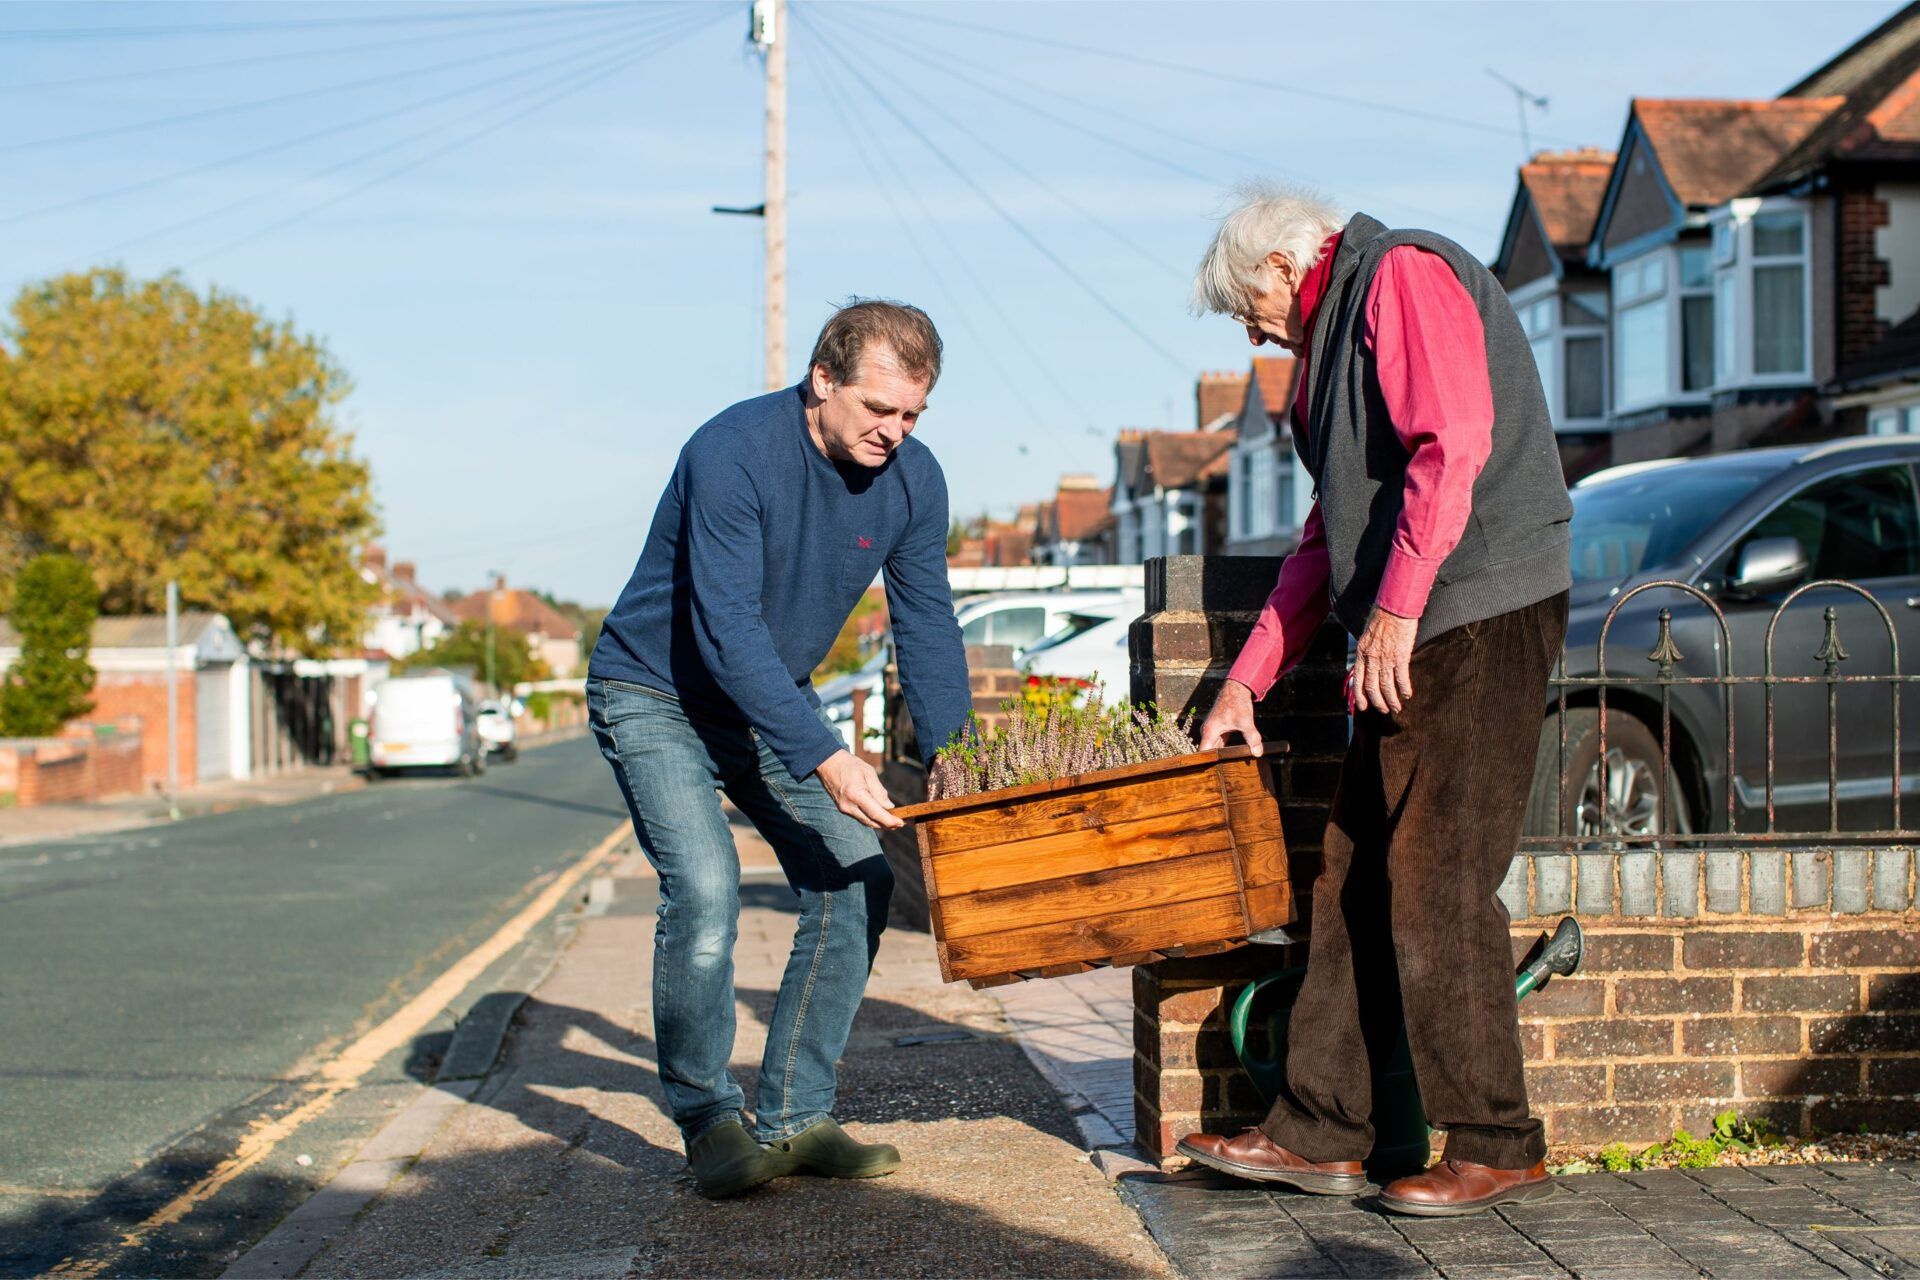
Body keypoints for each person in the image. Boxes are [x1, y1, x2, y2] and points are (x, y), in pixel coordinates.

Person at [1179, 183, 1573, 1217]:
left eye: (1243, 308)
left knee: (1437, 875)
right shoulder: (1324, 361)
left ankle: (1497, 1139)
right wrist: (1245, 679)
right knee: (1355, 876)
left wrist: (1392, 616)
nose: (1252, 331)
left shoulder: (1399, 273)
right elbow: (1328, 537)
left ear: (1279, 268)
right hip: (1418, 623)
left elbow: (1454, 443)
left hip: (1476, 611)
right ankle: (1320, 1132)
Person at [586, 300, 970, 1198]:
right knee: (708, 887)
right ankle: (708, 1118)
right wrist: (830, 758)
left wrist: (959, 761)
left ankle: (795, 1117)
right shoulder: (731, 451)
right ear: (822, 380)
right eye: (879, 410)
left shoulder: (915, 480)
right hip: (655, 691)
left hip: (766, 700)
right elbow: (727, 631)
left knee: (859, 879)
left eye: (912, 415)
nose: (895, 432)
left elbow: (928, 626)